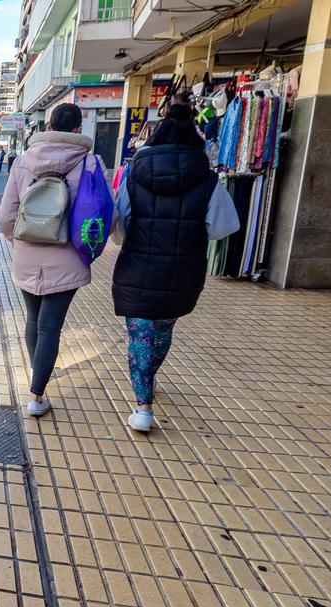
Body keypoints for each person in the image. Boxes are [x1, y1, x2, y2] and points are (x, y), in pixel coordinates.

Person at [112, 103, 240, 433]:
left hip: (138, 265)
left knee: (139, 335)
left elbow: (120, 223)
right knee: (164, 330)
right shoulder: (208, 180)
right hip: (184, 271)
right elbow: (222, 227)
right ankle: (149, 383)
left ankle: (143, 406)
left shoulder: (134, 175)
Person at [0, 102, 101, 418]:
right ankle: (36, 394)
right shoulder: (91, 162)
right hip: (68, 256)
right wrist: (87, 248)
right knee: (50, 327)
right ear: (77, 129)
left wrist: (20, 240)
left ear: (49, 125)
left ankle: (37, 377)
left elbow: (5, 215)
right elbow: (100, 215)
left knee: (34, 319)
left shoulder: (24, 160)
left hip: (27, 254)